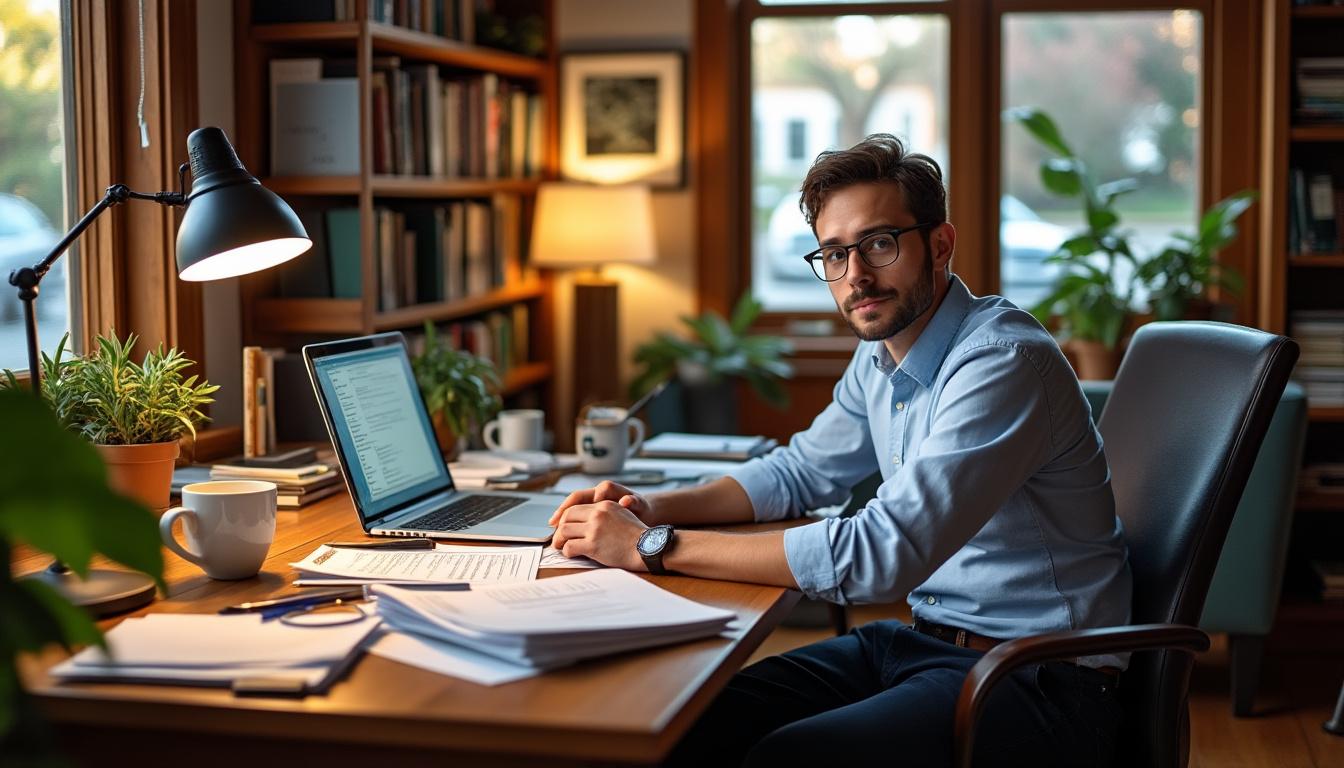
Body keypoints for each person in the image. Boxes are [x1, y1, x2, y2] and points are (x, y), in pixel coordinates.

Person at [548, 134, 1131, 766]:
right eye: (833, 253)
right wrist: (655, 510)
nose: (856, 275)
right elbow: (802, 473)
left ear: (940, 245)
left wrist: (648, 550)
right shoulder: (880, 354)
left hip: (1039, 679)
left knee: (793, 756)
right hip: (930, 643)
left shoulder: (1002, 363)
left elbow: (883, 554)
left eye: (879, 243)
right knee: (691, 717)